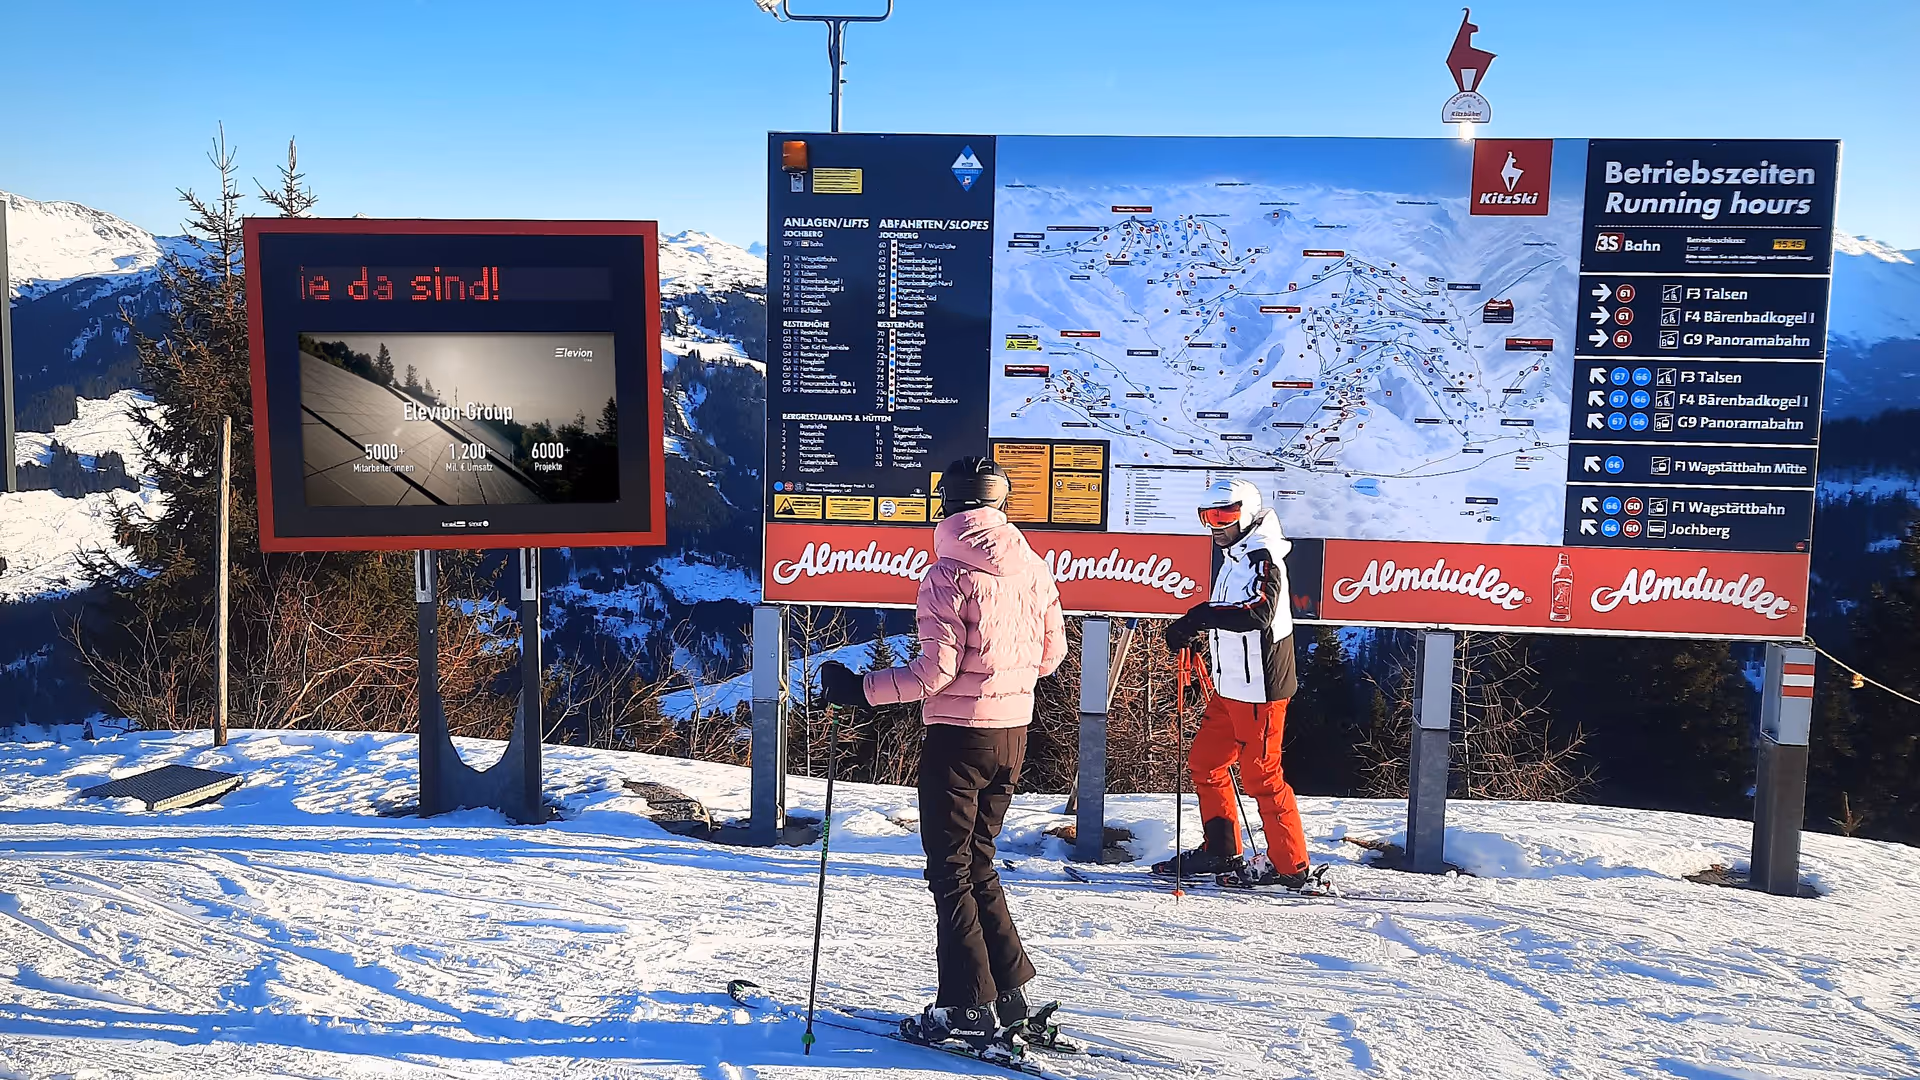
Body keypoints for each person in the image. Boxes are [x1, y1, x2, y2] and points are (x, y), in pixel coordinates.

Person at [818, 455, 1067, 1051]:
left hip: (958, 739)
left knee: (950, 871)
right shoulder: (1033, 569)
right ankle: (1007, 997)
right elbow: (1051, 654)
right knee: (978, 861)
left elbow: (936, 672)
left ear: (948, 505)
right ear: (1001, 503)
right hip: (1013, 734)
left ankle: (964, 1007)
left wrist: (860, 690)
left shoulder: (947, 574)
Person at [1151, 476, 1312, 889]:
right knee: (1206, 762)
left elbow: (1258, 612)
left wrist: (1200, 617)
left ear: (1247, 512)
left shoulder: (1262, 555)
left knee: (1262, 777)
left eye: (1224, 514)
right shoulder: (1237, 554)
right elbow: (1232, 611)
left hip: (1260, 688)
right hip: (1230, 687)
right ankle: (1221, 850)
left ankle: (1289, 866)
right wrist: (1200, 627)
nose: (1215, 524)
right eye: (1208, 516)